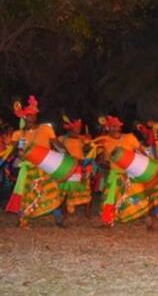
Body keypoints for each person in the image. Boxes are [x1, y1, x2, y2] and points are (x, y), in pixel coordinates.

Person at [6, 96, 66, 228]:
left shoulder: (45, 129)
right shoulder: (18, 134)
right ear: (24, 117)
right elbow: (13, 149)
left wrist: (67, 156)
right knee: (26, 193)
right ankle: (22, 218)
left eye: (34, 114)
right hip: (28, 167)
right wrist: (9, 157)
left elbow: (56, 144)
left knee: (51, 191)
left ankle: (59, 219)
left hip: (45, 165)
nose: (32, 117)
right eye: (29, 115)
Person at [94, 115, 152, 227]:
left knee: (138, 196)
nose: (116, 129)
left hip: (131, 173)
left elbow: (142, 152)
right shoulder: (105, 141)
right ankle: (107, 221)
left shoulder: (130, 137)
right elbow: (104, 159)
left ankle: (147, 220)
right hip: (115, 174)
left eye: (117, 126)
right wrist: (101, 162)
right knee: (109, 198)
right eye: (113, 126)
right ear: (108, 128)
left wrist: (148, 164)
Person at [58, 116, 93, 217]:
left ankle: (87, 213)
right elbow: (57, 151)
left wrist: (88, 143)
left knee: (86, 190)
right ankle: (64, 212)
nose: (79, 129)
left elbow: (87, 151)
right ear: (70, 127)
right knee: (65, 190)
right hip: (67, 167)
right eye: (76, 127)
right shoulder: (61, 139)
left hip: (81, 166)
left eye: (79, 127)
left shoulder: (83, 138)